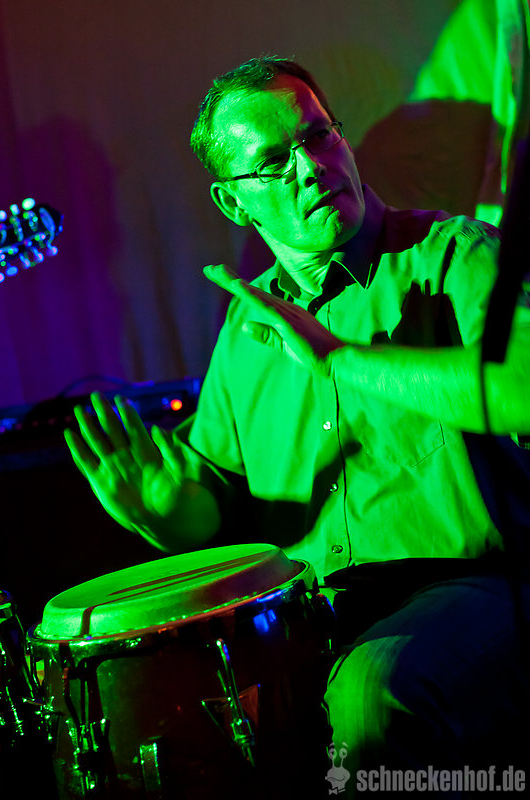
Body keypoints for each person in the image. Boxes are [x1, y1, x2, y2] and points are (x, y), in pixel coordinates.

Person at [65, 56, 530, 795]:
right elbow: (218, 514)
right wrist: (165, 512)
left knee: (374, 690)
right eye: (274, 160)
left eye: (318, 136)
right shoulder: (245, 332)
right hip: (309, 620)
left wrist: (341, 360)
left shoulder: (455, 256)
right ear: (233, 202)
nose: (311, 167)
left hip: (479, 590)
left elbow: (521, 391)